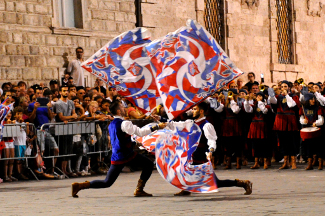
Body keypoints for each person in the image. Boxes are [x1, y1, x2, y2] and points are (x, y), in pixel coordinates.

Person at [71, 101, 167, 198]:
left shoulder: (112, 123)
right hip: (126, 154)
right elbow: (140, 132)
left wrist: (133, 142)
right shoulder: (124, 123)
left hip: (117, 155)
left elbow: (120, 137)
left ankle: (79, 186)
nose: (124, 108)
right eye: (122, 107)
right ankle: (139, 189)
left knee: (107, 182)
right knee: (149, 164)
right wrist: (157, 126)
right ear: (118, 110)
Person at [172, 103, 253, 196]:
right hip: (192, 155)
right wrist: (160, 120)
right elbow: (177, 125)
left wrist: (210, 150)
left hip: (201, 156)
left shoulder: (206, 125)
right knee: (184, 170)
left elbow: (212, 139)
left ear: (201, 111)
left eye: (195, 109)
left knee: (215, 182)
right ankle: (186, 189)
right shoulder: (191, 123)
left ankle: (243, 183)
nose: (192, 111)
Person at [269, 80, 300, 169]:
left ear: (289, 87)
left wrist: (286, 95)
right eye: (282, 87)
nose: (283, 88)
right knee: (283, 142)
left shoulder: (293, 96)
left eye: (285, 86)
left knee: (291, 141)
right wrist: (271, 95)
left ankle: (293, 162)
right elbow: (273, 103)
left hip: (290, 120)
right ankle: (285, 162)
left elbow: (292, 105)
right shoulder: (278, 97)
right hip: (280, 120)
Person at [54, 85, 79, 177]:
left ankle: (67, 169)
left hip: (69, 128)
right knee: (63, 149)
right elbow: (61, 117)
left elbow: (74, 115)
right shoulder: (58, 103)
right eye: (64, 91)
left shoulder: (71, 102)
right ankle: (62, 169)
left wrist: (69, 118)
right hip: (61, 129)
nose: (66, 92)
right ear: (60, 92)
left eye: (67, 90)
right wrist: (71, 117)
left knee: (69, 149)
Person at [299, 93, 324, 170]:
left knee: (319, 146)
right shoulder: (303, 108)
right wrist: (304, 121)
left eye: (314, 99)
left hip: (317, 129)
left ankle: (320, 163)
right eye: (311, 99)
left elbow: (321, 120)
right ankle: (310, 163)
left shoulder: (318, 108)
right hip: (307, 129)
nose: (313, 100)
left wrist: (316, 123)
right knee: (308, 147)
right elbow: (300, 119)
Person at [13, 106, 29, 180]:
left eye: (21, 114)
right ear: (15, 115)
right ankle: (18, 173)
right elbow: (16, 132)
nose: (20, 115)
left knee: (22, 159)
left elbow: (27, 132)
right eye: (18, 114)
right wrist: (19, 124)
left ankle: (22, 172)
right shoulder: (14, 123)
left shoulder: (23, 123)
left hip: (23, 143)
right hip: (17, 143)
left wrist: (27, 126)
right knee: (18, 160)